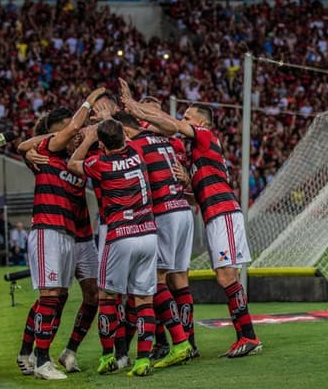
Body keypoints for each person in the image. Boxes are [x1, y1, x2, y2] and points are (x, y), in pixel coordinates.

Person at [125, 95, 262, 358]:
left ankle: (248, 336)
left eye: (188, 117)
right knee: (225, 276)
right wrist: (187, 180)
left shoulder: (205, 136)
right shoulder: (198, 150)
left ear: (201, 122)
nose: (183, 120)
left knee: (227, 277)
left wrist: (135, 109)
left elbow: (172, 126)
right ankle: (245, 336)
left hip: (223, 212)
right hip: (213, 215)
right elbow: (196, 188)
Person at [15, 87, 105, 380]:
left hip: (79, 234)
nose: (72, 135)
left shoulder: (82, 151)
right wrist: (88, 101)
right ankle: (33, 354)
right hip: (51, 229)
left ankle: (69, 351)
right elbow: (23, 145)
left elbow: (94, 131)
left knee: (91, 295)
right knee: (51, 295)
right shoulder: (43, 154)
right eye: (65, 132)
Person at [68, 119, 158, 377]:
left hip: (120, 235)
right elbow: (127, 140)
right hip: (149, 233)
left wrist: (87, 140)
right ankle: (142, 360)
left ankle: (108, 356)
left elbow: (72, 164)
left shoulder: (100, 164)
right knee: (143, 298)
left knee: (107, 297)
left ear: (102, 144)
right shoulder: (138, 153)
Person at [113, 109, 193, 368]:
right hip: (183, 209)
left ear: (125, 131)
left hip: (163, 213)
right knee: (178, 278)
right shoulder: (164, 139)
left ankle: (179, 341)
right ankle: (188, 341)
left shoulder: (135, 146)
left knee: (156, 281)